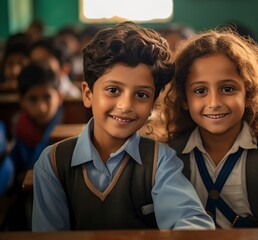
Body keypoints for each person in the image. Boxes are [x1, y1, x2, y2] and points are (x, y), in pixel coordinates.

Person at [32, 21, 215, 231]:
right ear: (88, 94)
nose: (126, 105)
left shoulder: (160, 161)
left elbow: (193, 223)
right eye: (113, 90)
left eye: (141, 95)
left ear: (153, 105)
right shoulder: (53, 163)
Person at [151, 28, 258, 228]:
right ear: (184, 99)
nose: (214, 102)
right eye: (200, 90)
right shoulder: (168, 159)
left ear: (249, 94)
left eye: (228, 89)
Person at [3, 61, 63, 230]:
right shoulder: (19, 129)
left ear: (59, 97)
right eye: (33, 99)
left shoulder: (70, 124)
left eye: (47, 97)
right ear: (21, 101)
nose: (42, 107)